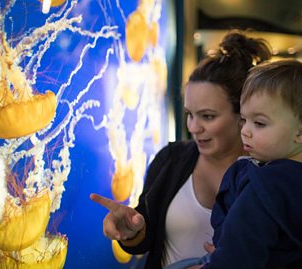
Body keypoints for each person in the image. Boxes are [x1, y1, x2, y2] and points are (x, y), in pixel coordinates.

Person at [89, 31, 272, 268]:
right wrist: (132, 230)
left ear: (242, 115)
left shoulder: (275, 174)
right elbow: (145, 237)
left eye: (207, 116)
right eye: (190, 115)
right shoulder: (171, 159)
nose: (194, 128)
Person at [167, 59, 302, 269]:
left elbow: (235, 260)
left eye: (259, 123)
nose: (245, 131)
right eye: (244, 120)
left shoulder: (262, 189)